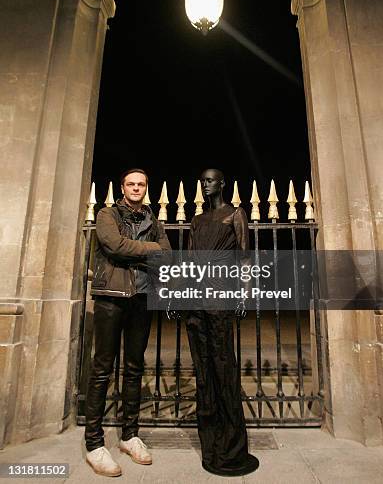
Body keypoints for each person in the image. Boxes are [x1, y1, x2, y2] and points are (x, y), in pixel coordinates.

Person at [85, 168, 171, 477]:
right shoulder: (107, 213)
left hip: (142, 297)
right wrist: (149, 249)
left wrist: (143, 252)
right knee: (102, 369)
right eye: (131, 183)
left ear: (147, 188)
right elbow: (114, 246)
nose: (136, 188)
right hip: (111, 297)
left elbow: (168, 255)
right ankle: (94, 444)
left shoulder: (154, 220)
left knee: (134, 368)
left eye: (141, 184)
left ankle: (129, 436)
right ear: (123, 187)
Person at [185, 168, 259, 476]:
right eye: (202, 181)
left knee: (223, 366)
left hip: (221, 297)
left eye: (210, 180)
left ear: (222, 183)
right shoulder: (198, 220)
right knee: (203, 370)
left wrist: (244, 295)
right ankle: (211, 443)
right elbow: (188, 260)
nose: (205, 185)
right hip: (197, 300)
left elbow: (243, 258)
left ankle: (231, 446)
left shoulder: (235, 215)